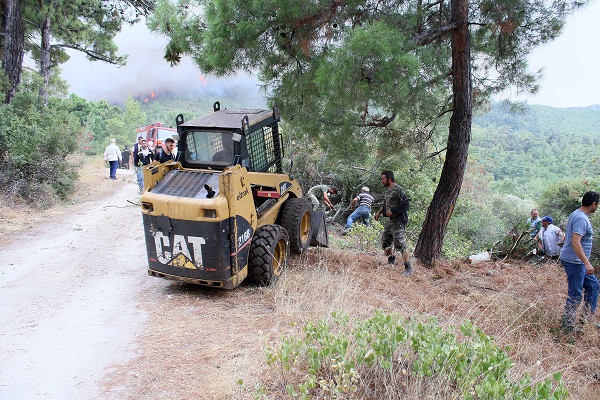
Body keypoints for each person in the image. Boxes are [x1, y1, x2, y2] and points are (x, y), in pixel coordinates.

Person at [559, 191, 599, 332]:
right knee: (575, 294)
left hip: (577, 261)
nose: (597, 207)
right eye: (597, 205)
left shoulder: (576, 214)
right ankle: (568, 326)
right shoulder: (581, 218)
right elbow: (576, 242)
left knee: (594, 286)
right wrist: (587, 262)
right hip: (575, 262)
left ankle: (586, 321)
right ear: (593, 204)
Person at [374, 170, 412, 274]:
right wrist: (378, 213)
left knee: (400, 244)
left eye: (383, 179)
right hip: (389, 221)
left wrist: (394, 211)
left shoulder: (398, 189)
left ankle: (408, 267)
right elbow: (386, 204)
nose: (381, 181)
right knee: (385, 242)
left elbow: (406, 204)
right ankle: (391, 259)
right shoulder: (387, 191)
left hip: (398, 221)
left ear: (389, 179)